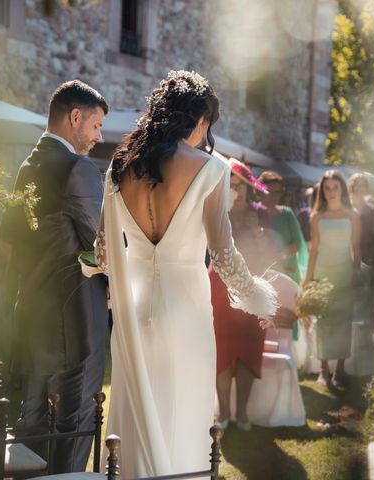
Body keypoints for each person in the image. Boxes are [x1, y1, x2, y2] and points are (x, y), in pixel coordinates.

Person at [93, 71, 277, 478]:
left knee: (138, 405)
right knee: (184, 408)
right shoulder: (211, 169)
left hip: (135, 306)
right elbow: (224, 254)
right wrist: (260, 299)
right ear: (198, 120)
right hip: (186, 307)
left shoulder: (120, 168)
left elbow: (102, 250)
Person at [0, 80, 109, 473]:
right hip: (74, 318)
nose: (99, 136)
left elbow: (9, 241)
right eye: (96, 126)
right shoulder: (77, 169)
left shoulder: (27, 165)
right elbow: (103, 247)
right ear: (75, 117)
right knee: (73, 422)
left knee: (32, 421)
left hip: (31, 312)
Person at [211, 162, 276, 432]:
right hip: (220, 285)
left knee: (250, 346)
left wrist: (256, 231)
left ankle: (243, 412)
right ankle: (224, 411)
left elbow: (270, 254)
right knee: (223, 348)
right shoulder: (215, 209)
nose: (235, 188)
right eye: (231, 183)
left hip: (253, 284)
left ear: (248, 188)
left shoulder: (260, 214)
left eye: (239, 184)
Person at [305, 170, 361, 389]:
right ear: (322, 191)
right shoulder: (317, 216)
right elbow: (314, 249)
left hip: (344, 273)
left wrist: (357, 275)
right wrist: (308, 280)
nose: (331, 192)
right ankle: (323, 369)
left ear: (342, 189)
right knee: (324, 322)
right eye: (327, 188)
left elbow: (356, 248)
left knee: (342, 322)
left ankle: (340, 371)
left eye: (335, 187)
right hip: (322, 274)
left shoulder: (352, 216)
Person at [257, 171, 308, 284]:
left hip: (289, 273)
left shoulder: (287, 213)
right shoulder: (253, 214)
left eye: (278, 192)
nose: (273, 196)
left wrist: (278, 257)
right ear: (260, 191)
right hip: (263, 275)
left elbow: (297, 243)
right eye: (269, 192)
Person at [347, 173, 374, 266]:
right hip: (347, 253)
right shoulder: (345, 208)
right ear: (352, 186)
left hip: (366, 255)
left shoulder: (371, 209)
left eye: (363, 185)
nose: (360, 188)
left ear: (366, 188)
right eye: (357, 185)